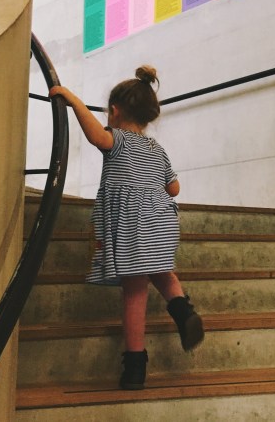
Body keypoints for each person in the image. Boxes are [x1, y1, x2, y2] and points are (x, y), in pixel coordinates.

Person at [49, 66, 204, 390]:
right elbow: (174, 188)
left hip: (133, 225)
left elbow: (95, 135)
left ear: (115, 111)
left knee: (134, 292)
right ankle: (183, 311)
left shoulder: (117, 140)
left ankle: (135, 367)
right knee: (163, 272)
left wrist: (72, 99)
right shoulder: (157, 150)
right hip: (161, 221)